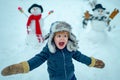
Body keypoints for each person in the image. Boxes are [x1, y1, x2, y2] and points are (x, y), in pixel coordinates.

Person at [1, 21, 105, 80]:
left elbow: (81, 57)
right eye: (59, 35)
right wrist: (21, 67)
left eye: (65, 36)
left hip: (71, 77)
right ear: (52, 38)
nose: (62, 38)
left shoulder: (70, 48)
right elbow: (37, 60)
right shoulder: (48, 51)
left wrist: (93, 62)